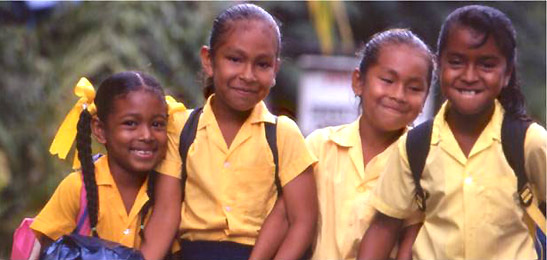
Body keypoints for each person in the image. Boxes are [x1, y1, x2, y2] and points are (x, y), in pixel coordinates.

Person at [358, 5, 546, 260]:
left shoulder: (528, 142)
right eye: (456, 62)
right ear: (440, 66)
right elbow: (384, 226)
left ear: (506, 74)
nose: (469, 76)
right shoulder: (415, 147)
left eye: (486, 65)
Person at [254, 28, 436, 260]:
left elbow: (410, 246)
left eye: (414, 88)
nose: (398, 94)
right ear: (358, 82)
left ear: (425, 99)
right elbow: (285, 216)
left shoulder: (421, 161)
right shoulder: (319, 146)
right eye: (388, 80)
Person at [154, 3, 318, 260]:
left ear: (275, 69)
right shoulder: (182, 127)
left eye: (262, 64)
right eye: (235, 59)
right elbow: (165, 214)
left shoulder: (282, 134)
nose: (247, 75)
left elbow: (303, 221)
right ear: (208, 60)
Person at [31, 71, 179, 259]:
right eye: (131, 123)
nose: (147, 135)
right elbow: (43, 252)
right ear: (100, 130)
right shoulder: (78, 189)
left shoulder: (168, 193)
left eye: (157, 124)